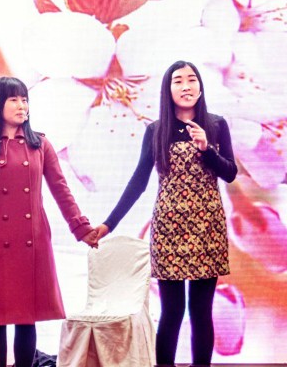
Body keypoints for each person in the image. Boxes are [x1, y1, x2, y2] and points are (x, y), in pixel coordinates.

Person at [0, 76, 99, 367]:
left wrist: (81, 228)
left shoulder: (40, 145)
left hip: (32, 239)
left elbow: (62, 190)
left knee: (27, 318)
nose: (22, 106)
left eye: (24, 99)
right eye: (13, 99)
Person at [96, 61, 237, 367]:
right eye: (178, 81)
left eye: (192, 80)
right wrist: (109, 223)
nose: (186, 86)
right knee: (172, 312)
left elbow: (230, 173)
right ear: (167, 89)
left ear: (200, 87)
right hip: (169, 228)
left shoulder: (216, 125)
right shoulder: (156, 130)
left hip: (207, 227)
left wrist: (207, 149)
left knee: (201, 311)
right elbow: (138, 182)